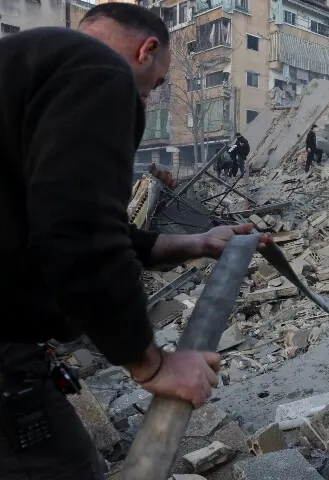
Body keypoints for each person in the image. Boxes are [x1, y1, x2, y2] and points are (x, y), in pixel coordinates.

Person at [0, 4, 271, 478]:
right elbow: (78, 234)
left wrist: (194, 244)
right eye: (157, 84)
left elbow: (59, 216)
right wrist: (151, 365)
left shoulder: (24, 67)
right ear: (147, 51)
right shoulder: (99, 70)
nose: (145, 98)